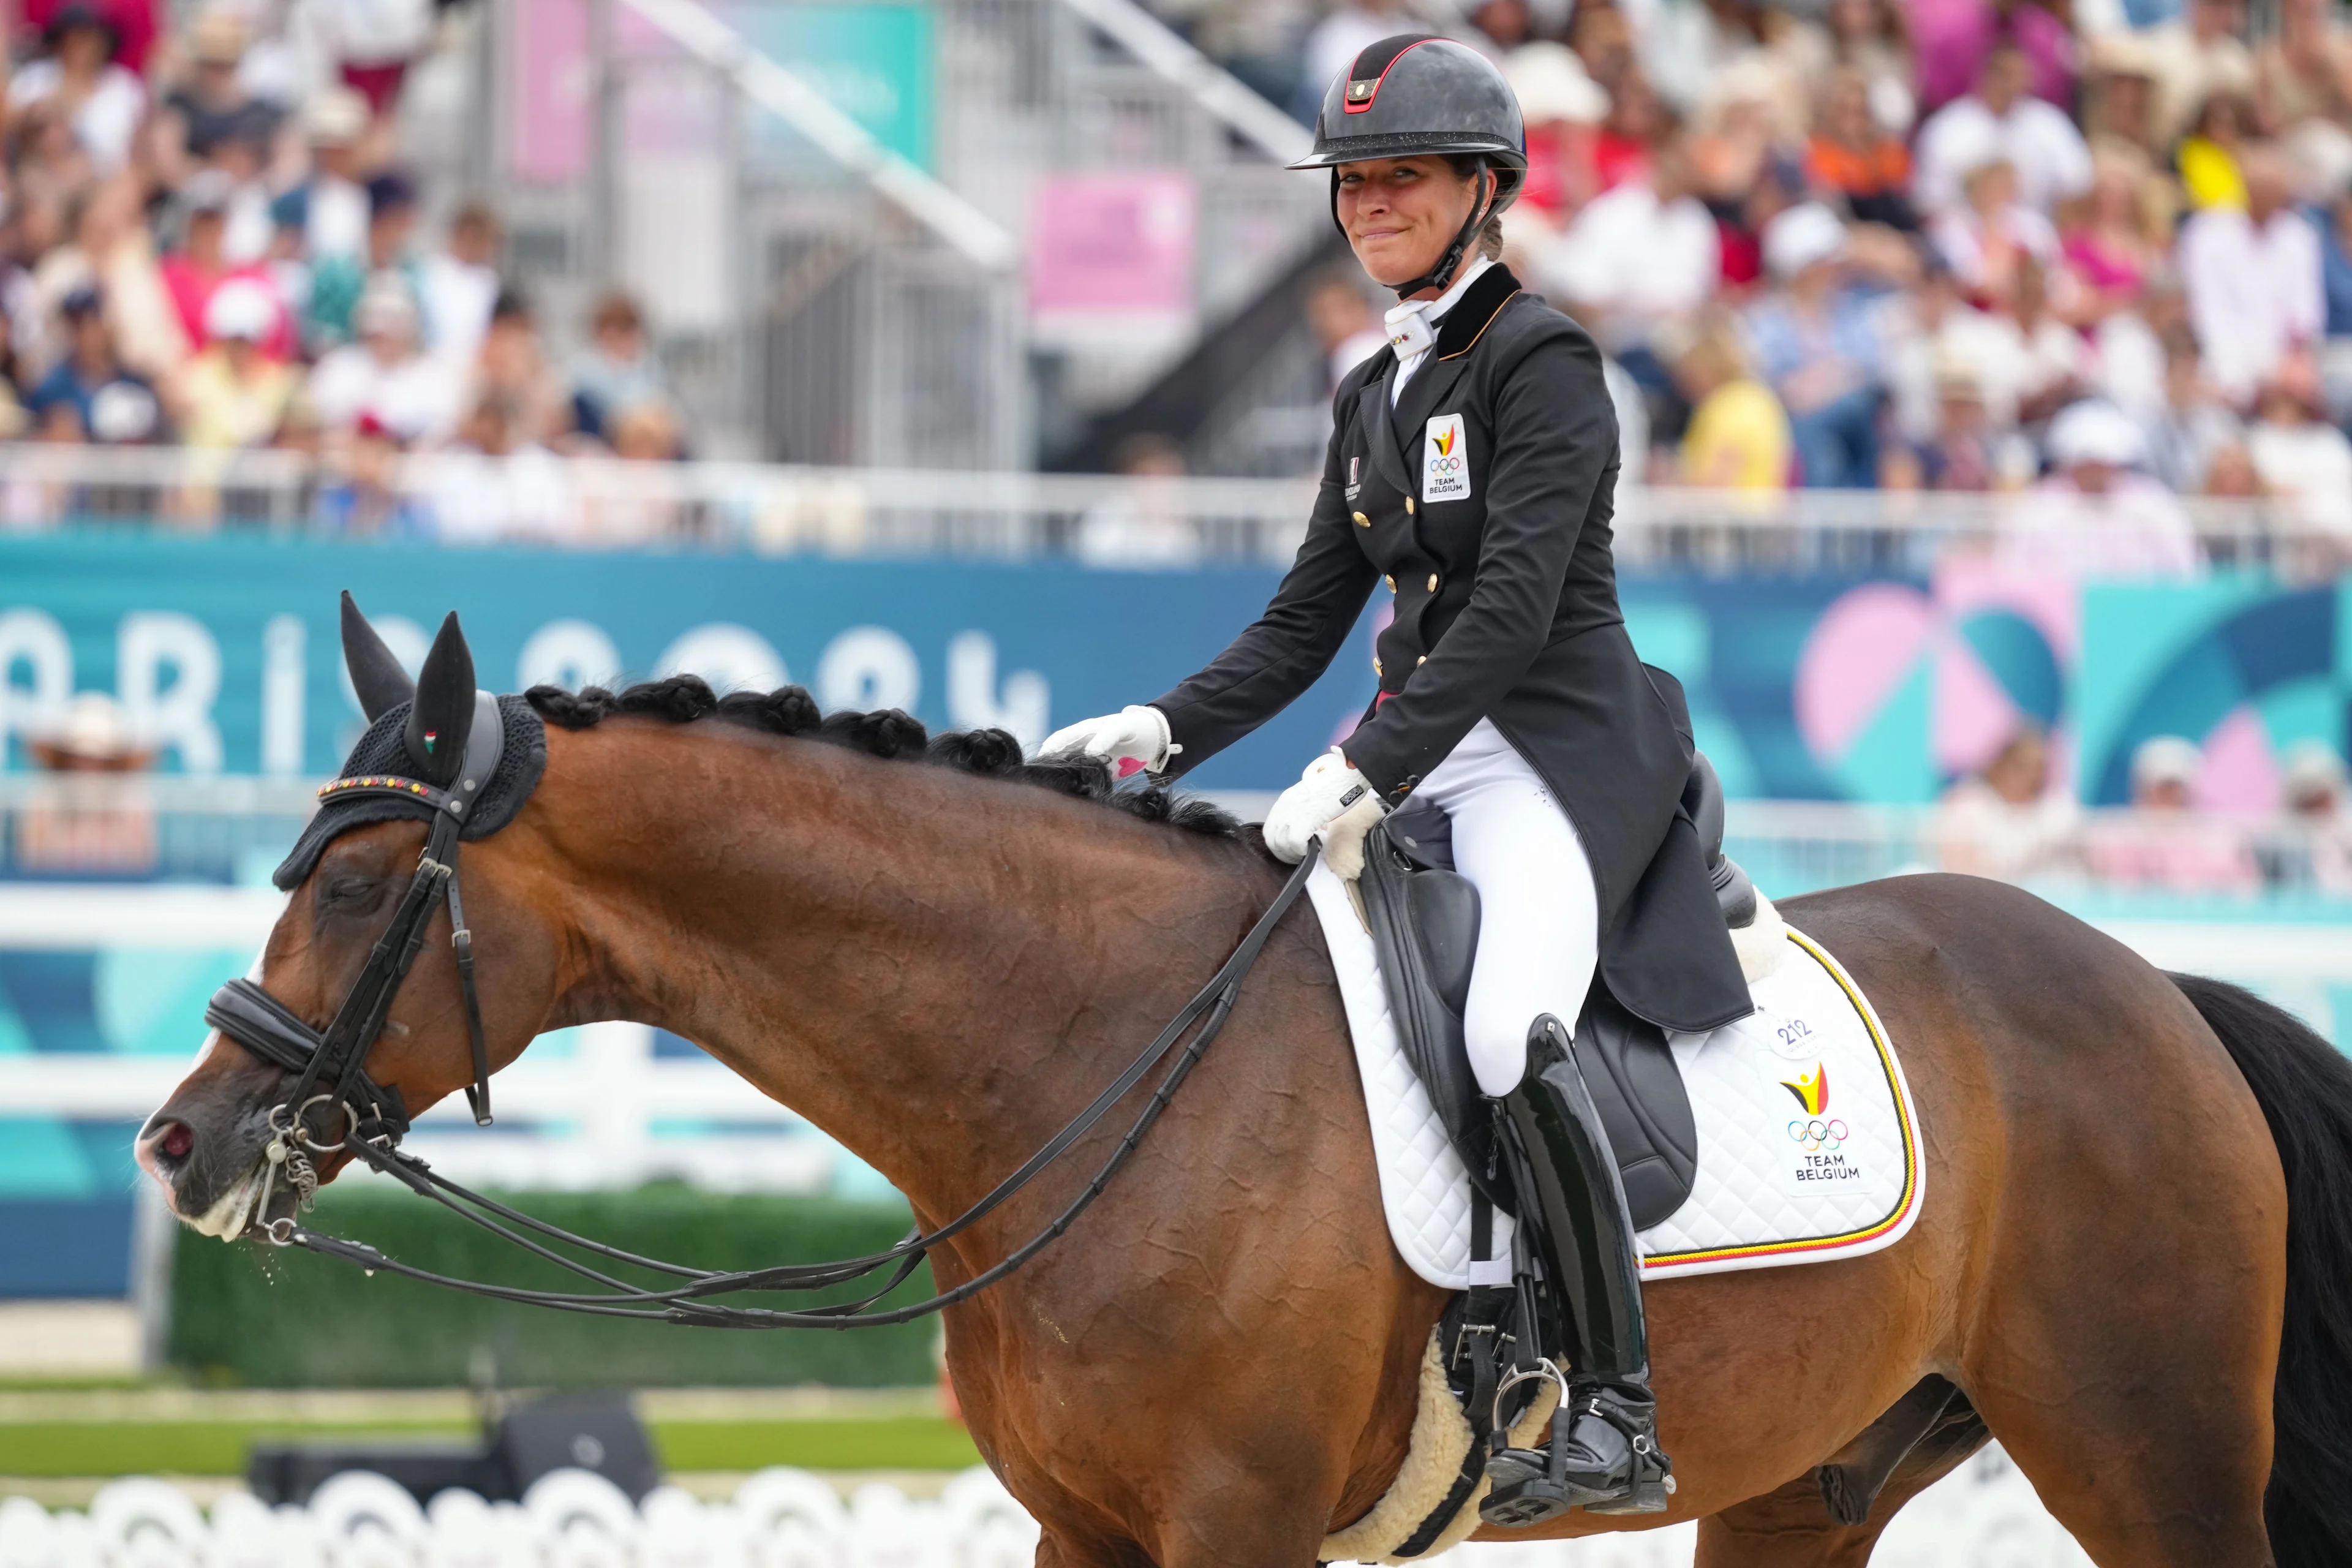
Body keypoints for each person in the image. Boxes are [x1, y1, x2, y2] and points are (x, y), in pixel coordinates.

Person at [1041, 36, 1746, 1520]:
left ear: (1483, 190)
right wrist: (1159, 731)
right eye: (1352, 183)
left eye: (1400, 178)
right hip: (1426, 757)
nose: (1368, 204)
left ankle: (1614, 1404)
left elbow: (1508, 612)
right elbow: (1306, 618)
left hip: (1554, 757)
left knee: (1504, 1027)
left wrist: (1364, 765)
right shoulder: (1373, 388)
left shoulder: (1542, 361)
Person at [2179, 143, 2325, 402]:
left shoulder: (2299, 236)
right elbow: (2207, 310)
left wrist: (2292, 363)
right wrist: (2258, 368)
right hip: (2220, 357)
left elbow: (2305, 315)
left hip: (2285, 365)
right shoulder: (2208, 232)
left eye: (2274, 190)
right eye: (2260, 188)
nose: (2267, 197)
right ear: (2244, 186)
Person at [1912, 37, 2092, 219]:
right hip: (1960, 236)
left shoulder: (2051, 125)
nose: (2011, 83)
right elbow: (1929, 203)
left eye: (2019, 74)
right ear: (1986, 74)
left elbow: (2077, 187)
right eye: (2003, 73)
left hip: (2035, 236)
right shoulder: (1947, 128)